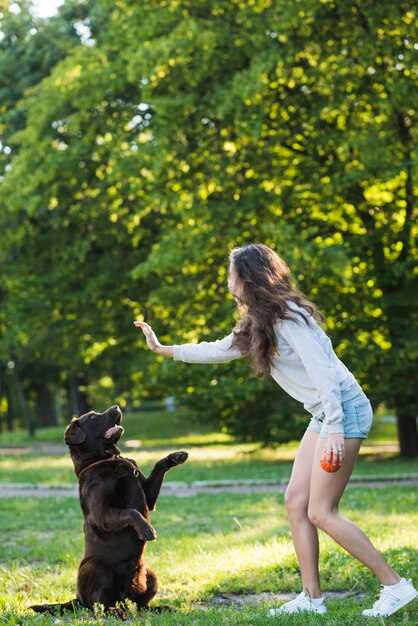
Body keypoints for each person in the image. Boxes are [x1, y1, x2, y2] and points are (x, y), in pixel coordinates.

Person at [134, 243, 417, 618]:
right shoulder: (259, 321)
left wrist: (334, 428)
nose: (228, 281)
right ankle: (312, 599)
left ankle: (396, 586)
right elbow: (219, 350)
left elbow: (325, 375)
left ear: (247, 277)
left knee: (321, 511)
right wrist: (164, 348)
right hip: (325, 416)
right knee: (295, 502)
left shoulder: (288, 318)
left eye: (231, 274)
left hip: (341, 413)